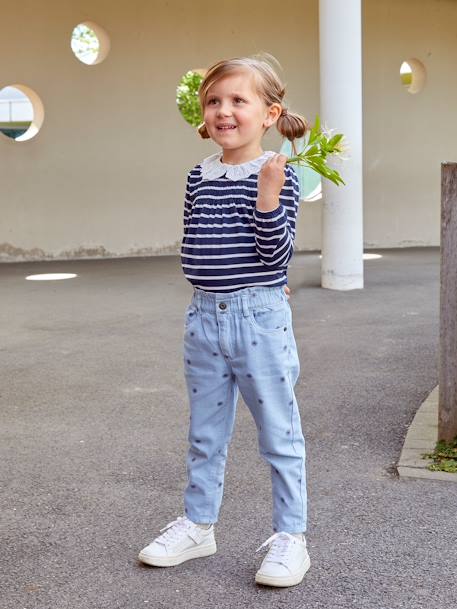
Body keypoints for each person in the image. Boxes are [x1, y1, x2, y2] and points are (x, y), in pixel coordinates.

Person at [139, 53, 310, 588]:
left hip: (257, 318)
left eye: (239, 100)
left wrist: (267, 197)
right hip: (204, 316)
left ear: (269, 113)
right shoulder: (198, 175)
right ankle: (198, 524)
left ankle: (291, 538)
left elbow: (275, 256)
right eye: (214, 101)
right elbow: (195, 239)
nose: (224, 110)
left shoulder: (281, 172)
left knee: (279, 434)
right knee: (205, 433)